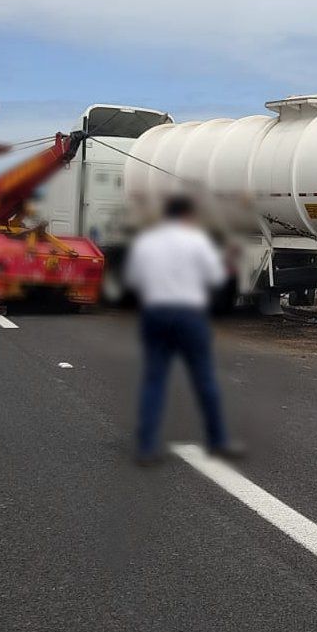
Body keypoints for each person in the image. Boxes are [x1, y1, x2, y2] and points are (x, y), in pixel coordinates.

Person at [124, 195, 243, 466]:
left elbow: (133, 279)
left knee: (154, 380)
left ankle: (146, 446)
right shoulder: (197, 241)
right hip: (189, 315)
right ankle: (217, 441)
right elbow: (214, 278)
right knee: (204, 381)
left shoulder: (146, 242)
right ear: (188, 216)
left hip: (155, 313)